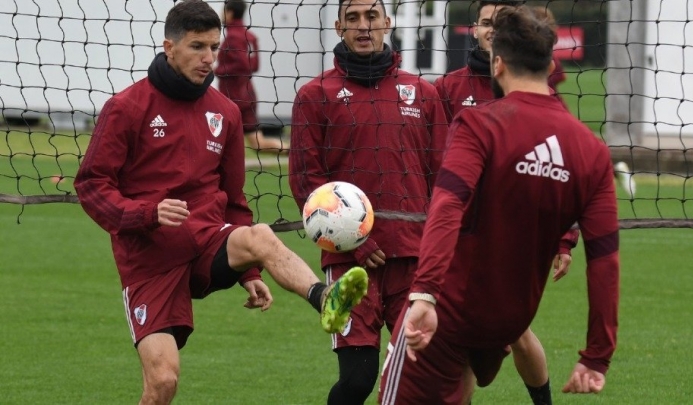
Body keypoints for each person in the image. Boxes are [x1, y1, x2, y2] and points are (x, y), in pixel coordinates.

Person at [73, 1, 368, 404]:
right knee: (162, 384)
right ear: (169, 47)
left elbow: (234, 202)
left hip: (207, 242)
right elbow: (91, 185)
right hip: (150, 262)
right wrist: (146, 213)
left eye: (214, 47)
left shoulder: (225, 112)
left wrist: (249, 272)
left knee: (259, 235)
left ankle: (323, 298)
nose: (209, 58)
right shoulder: (126, 108)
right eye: (197, 47)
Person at [379, 5, 619, 404]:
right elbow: (605, 260)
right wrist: (597, 356)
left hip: (449, 310)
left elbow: (446, 208)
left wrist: (424, 294)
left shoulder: (479, 125)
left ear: (499, 64)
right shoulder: (592, 151)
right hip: (509, 320)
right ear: (549, 63)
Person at [288, 1, 448, 404]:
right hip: (348, 263)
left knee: (420, 378)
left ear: (387, 23)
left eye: (372, 17)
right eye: (354, 18)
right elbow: (307, 183)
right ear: (339, 25)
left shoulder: (424, 94)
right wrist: (358, 241)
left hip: (414, 262)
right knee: (358, 381)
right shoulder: (314, 95)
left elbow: (444, 180)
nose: (364, 26)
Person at [435, 2, 579, 403]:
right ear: (475, 31)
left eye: (499, 25)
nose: (491, 32)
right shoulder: (448, 89)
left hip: (513, 233)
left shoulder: (539, 96)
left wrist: (565, 239)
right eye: (485, 24)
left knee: (515, 329)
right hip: (460, 234)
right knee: (459, 337)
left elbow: (559, 165)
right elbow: (433, 163)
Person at [215, 0, 287, 154]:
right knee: (257, 143)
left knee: (217, 140)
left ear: (230, 12)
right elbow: (254, 65)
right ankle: (295, 151)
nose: (221, 14)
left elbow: (243, 65)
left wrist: (218, 70)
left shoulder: (233, 38)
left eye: (223, 11)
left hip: (233, 98)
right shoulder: (250, 36)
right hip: (247, 95)